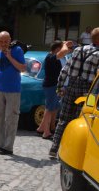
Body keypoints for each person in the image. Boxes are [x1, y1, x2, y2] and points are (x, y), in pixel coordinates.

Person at [50, 28, 99, 158]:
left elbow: (65, 69)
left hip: (71, 86)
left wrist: (60, 87)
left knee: (63, 120)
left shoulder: (78, 50)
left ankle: (54, 148)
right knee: (81, 121)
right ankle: (72, 152)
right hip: (87, 92)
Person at [37, 40, 73, 139]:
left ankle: (42, 128)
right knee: (49, 109)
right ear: (57, 49)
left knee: (54, 107)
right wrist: (64, 45)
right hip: (51, 86)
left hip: (55, 85)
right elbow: (64, 51)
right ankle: (46, 132)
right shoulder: (51, 57)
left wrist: (63, 43)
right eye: (61, 48)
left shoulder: (52, 56)